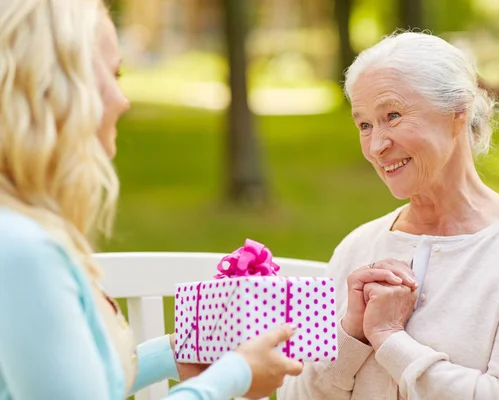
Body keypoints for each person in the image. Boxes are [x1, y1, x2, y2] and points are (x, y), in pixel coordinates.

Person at [0, 0, 302, 399]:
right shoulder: (24, 251)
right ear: (58, 90)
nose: (122, 100)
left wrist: (171, 355)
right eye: (113, 74)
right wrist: (234, 375)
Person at [278, 31, 499, 400]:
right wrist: (351, 333)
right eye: (365, 124)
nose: (376, 146)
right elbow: (296, 395)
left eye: (393, 115)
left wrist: (389, 339)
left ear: (458, 111)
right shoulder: (356, 246)